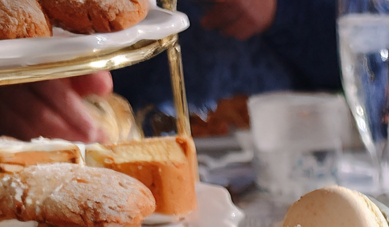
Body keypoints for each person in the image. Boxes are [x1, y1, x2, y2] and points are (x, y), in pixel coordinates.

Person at [0, 0, 341, 142]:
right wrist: (13, 74)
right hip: (117, 139)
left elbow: (379, 44)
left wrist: (282, 11)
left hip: (293, 148)